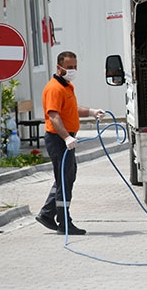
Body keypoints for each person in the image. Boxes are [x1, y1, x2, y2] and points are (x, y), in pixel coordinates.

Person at [35, 51, 105, 235]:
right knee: (64, 181)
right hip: (58, 139)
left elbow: (72, 109)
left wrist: (91, 112)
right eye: (69, 67)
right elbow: (54, 116)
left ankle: (47, 214)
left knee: (66, 177)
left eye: (75, 67)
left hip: (65, 139)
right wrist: (66, 137)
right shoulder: (54, 89)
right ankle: (64, 222)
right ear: (59, 67)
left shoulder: (66, 86)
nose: (73, 70)